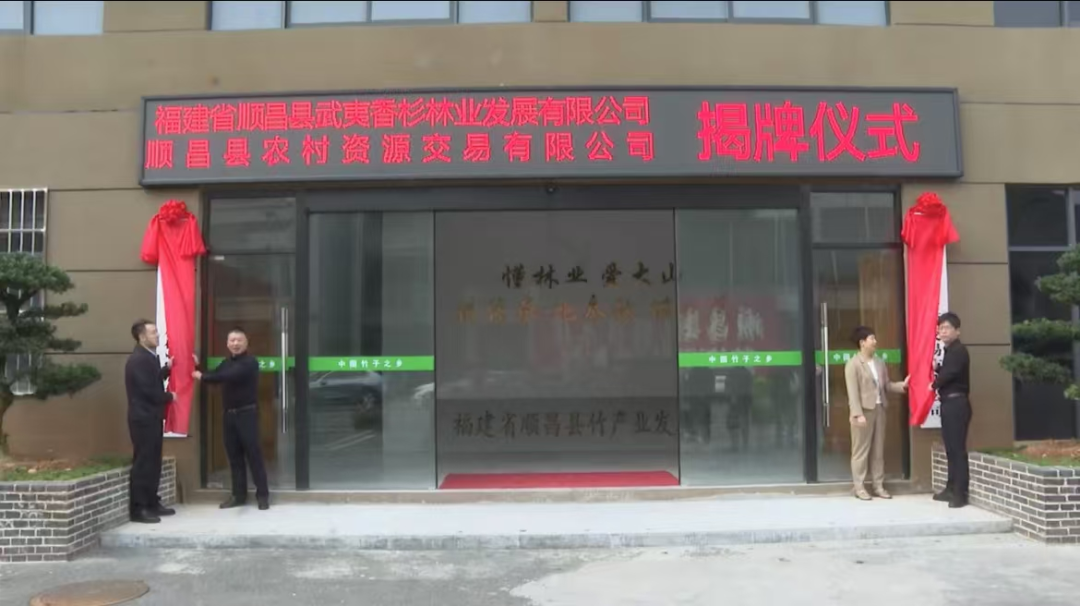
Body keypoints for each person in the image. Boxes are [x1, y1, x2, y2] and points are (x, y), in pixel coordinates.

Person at [193, 328, 270, 510]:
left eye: (239, 340)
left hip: (247, 414)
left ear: (246, 343)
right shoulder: (226, 362)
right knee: (234, 458)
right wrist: (198, 368)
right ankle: (238, 496)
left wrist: (202, 376)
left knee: (254, 456)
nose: (235, 343)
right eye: (232, 340)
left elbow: (228, 376)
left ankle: (263, 496)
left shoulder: (250, 362)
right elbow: (215, 376)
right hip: (229, 416)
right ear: (227, 344)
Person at [844, 326, 909, 501]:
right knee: (860, 451)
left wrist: (902, 386)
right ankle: (859, 487)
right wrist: (857, 414)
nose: (875, 342)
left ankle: (878, 486)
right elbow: (853, 393)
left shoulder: (879, 363)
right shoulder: (853, 364)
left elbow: (886, 385)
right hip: (863, 412)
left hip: (880, 410)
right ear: (862, 343)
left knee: (878, 451)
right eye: (872, 339)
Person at [125, 320, 176, 524]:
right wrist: (170, 396)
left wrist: (167, 370)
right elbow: (147, 391)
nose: (157, 335)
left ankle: (152, 502)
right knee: (144, 463)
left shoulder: (149, 357)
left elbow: (153, 380)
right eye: (153, 332)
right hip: (143, 418)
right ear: (142, 336)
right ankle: (139, 508)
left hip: (152, 417)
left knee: (154, 462)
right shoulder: (138, 359)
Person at [932, 312, 972, 508]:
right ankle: (950, 488)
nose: (943, 331)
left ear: (957, 331)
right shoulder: (949, 351)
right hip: (948, 404)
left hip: (957, 404)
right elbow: (947, 372)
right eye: (940, 328)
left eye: (947, 328)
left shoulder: (959, 350)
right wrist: (937, 369)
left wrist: (932, 384)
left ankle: (960, 494)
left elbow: (951, 373)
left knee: (957, 450)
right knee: (950, 449)